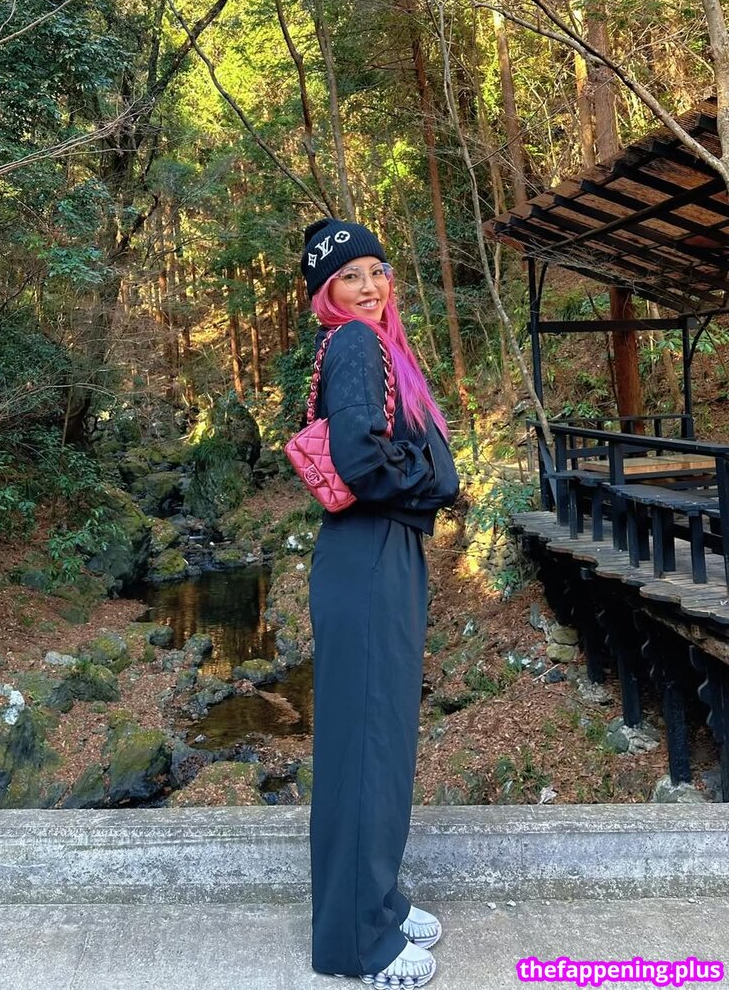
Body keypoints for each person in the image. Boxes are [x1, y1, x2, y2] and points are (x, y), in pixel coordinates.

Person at [300, 218, 459, 987]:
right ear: (325, 292)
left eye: (376, 270)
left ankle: (378, 903)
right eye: (349, 276)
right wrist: (436, 482)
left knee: (379, 743)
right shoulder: (358, 344)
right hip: (367, 555)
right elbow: (361, 458)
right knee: (366, 748)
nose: (369, 287)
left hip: (375, 552)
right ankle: (356, 944)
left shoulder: (369, 344)